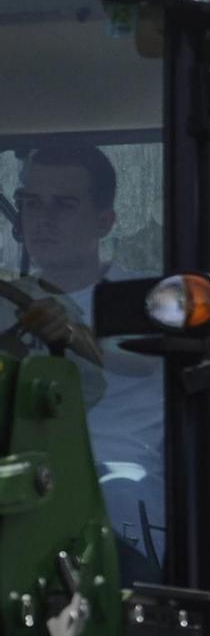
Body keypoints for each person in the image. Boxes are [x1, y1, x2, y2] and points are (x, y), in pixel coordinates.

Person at [5, 143, 165, 573]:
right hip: (17, 468)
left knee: (115, 497)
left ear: (104, 220)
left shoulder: (142, 295)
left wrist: (73, 335)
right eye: (32, 203)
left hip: (114, 475)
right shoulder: (7, 304)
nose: (44, 218)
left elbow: (139, 358)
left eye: (64, 205)